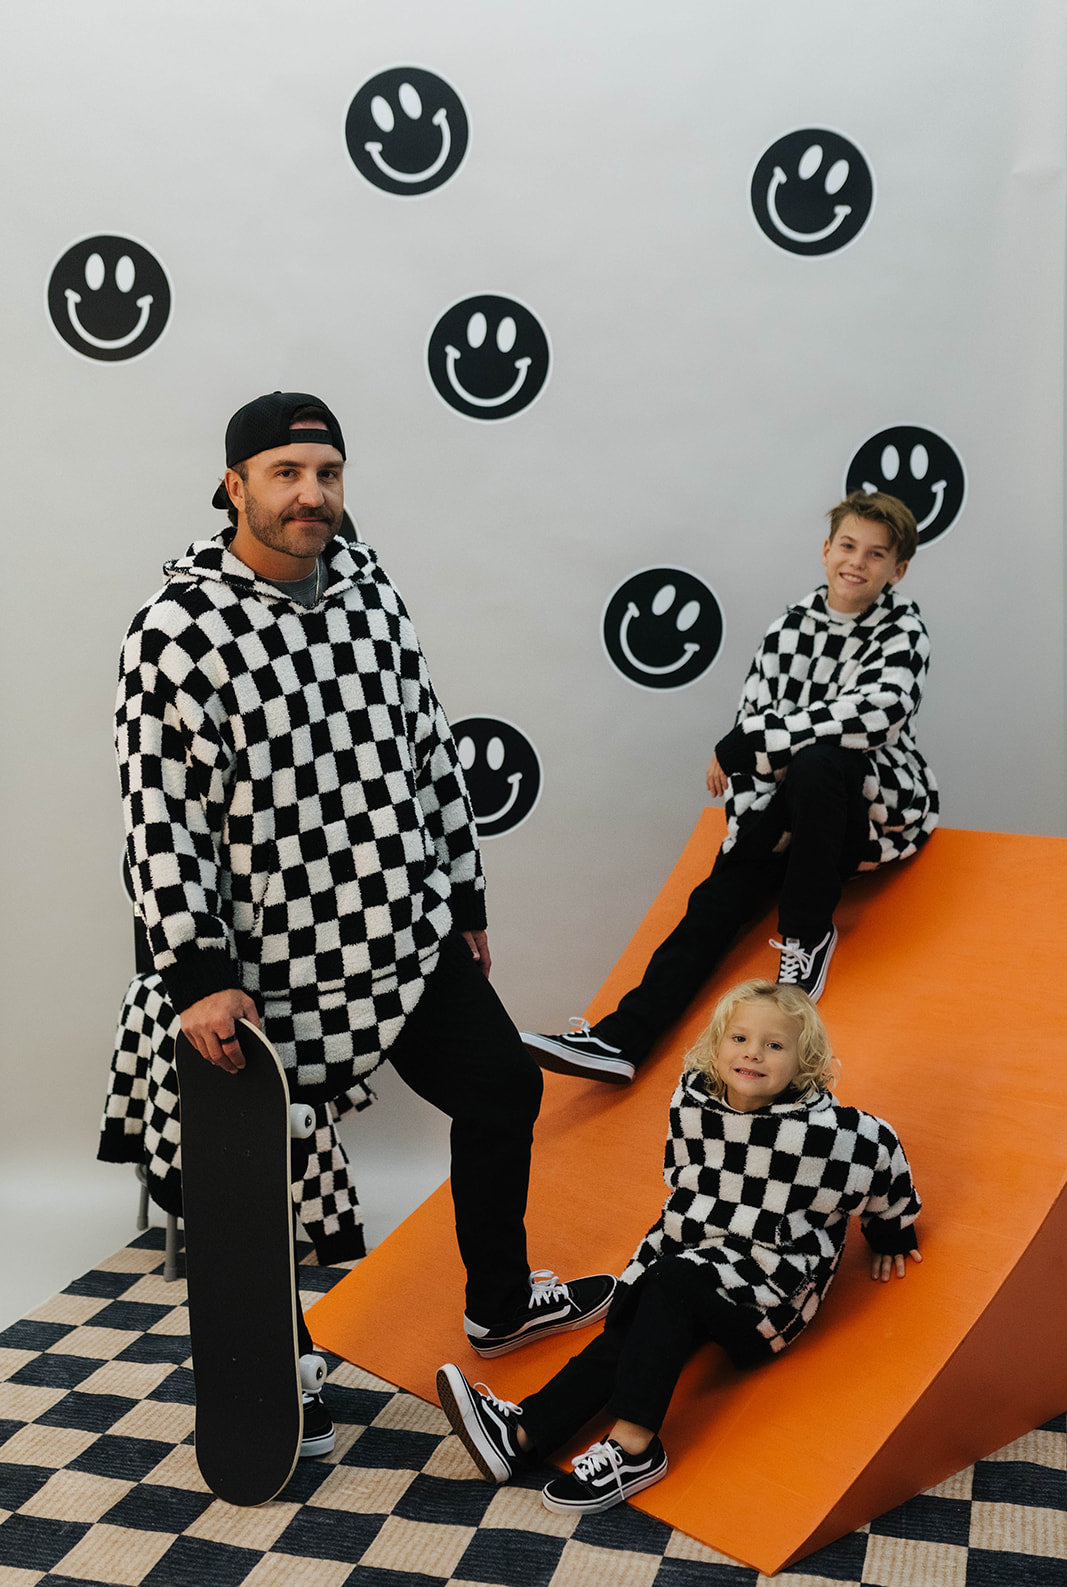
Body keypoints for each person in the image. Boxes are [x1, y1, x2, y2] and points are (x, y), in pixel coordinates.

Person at [115, 391, 614, 1457]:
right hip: (274, 959)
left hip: (400, 926)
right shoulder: (175, 631)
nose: (311, 495)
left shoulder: (368, 585)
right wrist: (196, 970)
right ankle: (276, 1360)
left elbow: (425, 738)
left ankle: (496, 1302)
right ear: (233, 484)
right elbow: (158, 818)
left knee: (502, 1087)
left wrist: (463, 894)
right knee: (275, 1172)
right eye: (287, 473)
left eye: (327, 473)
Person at [438, 979, 921, 1514]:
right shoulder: (694, 1108)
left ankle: (635, 1446)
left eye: (775, 1045)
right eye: (739, 1038)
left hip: (769, 1291)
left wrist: (890, 1233)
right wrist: (636, 1280)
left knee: (670, 1281)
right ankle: (525, 1435)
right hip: (699, 1266)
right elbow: (687, 1200)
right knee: (643, 1306)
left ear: (805, 1063)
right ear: (715, 1047)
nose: (753, 1053)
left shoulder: (829, 1136)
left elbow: (883, 1159)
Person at [522, 490, 938, 1085]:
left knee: (824, 760)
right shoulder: (787, 630)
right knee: (716, 900)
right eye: (847, 546)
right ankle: (620, 1040)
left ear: (897, 570)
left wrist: (758, 741)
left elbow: (876, 714)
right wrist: (747, 837)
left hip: (870, 813)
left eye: (876, 555)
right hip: (791, 813)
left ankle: (807, 931)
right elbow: (748, 748)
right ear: (825, 551)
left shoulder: (904, 629)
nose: (857, 562)